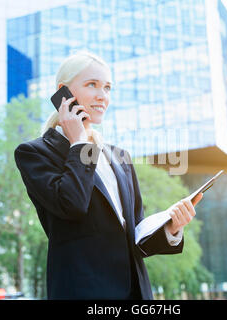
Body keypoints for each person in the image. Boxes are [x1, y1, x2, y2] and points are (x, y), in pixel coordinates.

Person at [14, 51, 203, 300]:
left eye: (107, 87)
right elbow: (72, 205)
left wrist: (171, 226)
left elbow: (135, 237)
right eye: (92, 85)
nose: (102, 96)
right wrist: (79, 141)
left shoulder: (119, 157)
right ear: (64, 92)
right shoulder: (34, 153)